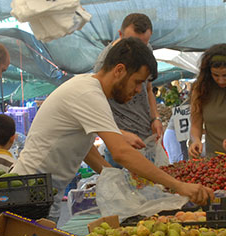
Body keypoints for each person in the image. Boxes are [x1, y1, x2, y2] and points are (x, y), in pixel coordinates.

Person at [13, 38, 213, 221]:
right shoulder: (88, 93)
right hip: (29, 193)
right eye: (137, 82)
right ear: (119, 70)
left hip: (43, 194)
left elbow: (86, 147)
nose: (137, 91)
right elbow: (120, 152)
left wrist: (115, 178)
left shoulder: (89, 90)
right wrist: (178, 185)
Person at [94, 13, 164, 166]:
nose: (138, 89)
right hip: (122, 142)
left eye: (144, 44)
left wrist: (155, 117)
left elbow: (148, 87)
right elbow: (97, 108)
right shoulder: (105, 63)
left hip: (146, 137)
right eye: (133, 41)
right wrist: (119, 134)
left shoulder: (145, 51)